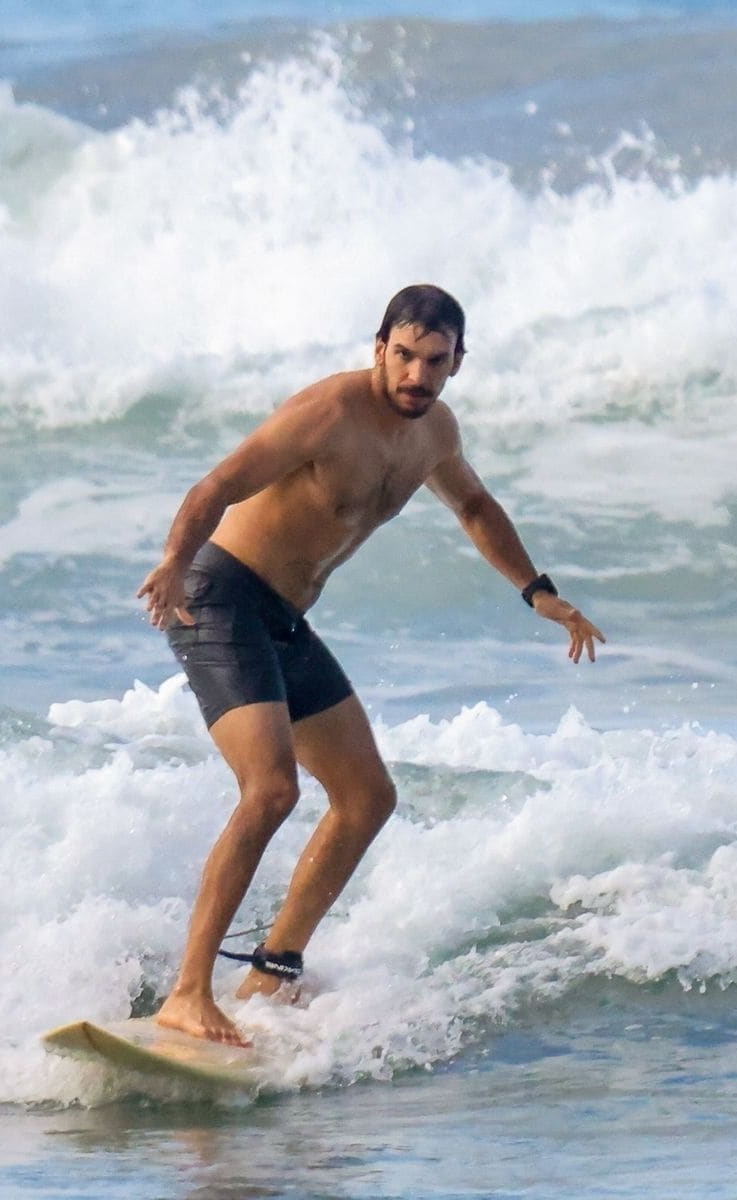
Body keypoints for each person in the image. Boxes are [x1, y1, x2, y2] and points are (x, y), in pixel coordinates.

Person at [137, 283, 605, 1047]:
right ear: (378, 347)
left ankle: (272, 970)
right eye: (403, 356)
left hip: (284, 619)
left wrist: (537, 593)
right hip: (218, 595)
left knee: (365, 796)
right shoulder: (329, 412)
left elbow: (476, 508)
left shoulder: (434, 434)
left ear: (458, 362)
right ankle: (187, 993)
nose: (416, 375)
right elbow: (220, 483)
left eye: (434, 361)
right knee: (271, 790)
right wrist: (172, 560)